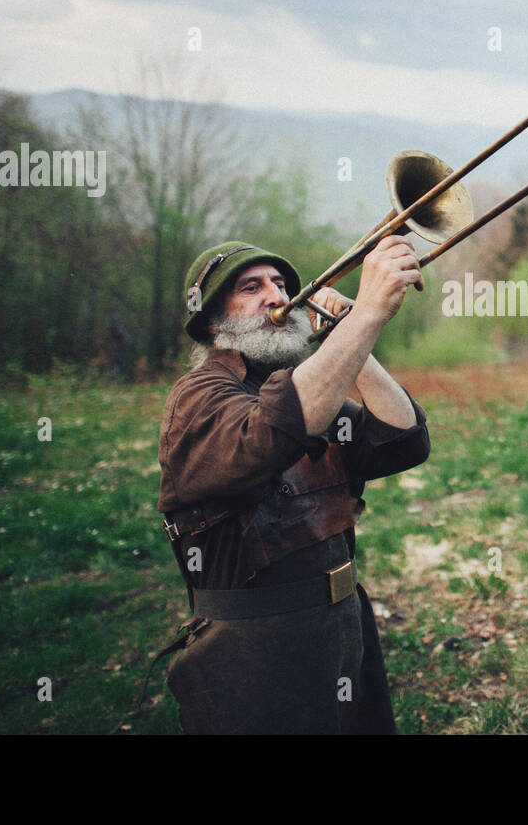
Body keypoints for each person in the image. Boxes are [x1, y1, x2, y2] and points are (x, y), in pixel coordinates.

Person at [155, 236, 430, 734]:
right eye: (251, 287)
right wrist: (368, 313)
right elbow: (272, 434)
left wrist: (351, 336)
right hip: (253, 651)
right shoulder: (197, 396)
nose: (278, 296)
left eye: (281, 284)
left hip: (342, 627)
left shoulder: (298, 391)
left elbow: (401, 440)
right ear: (213, 319)